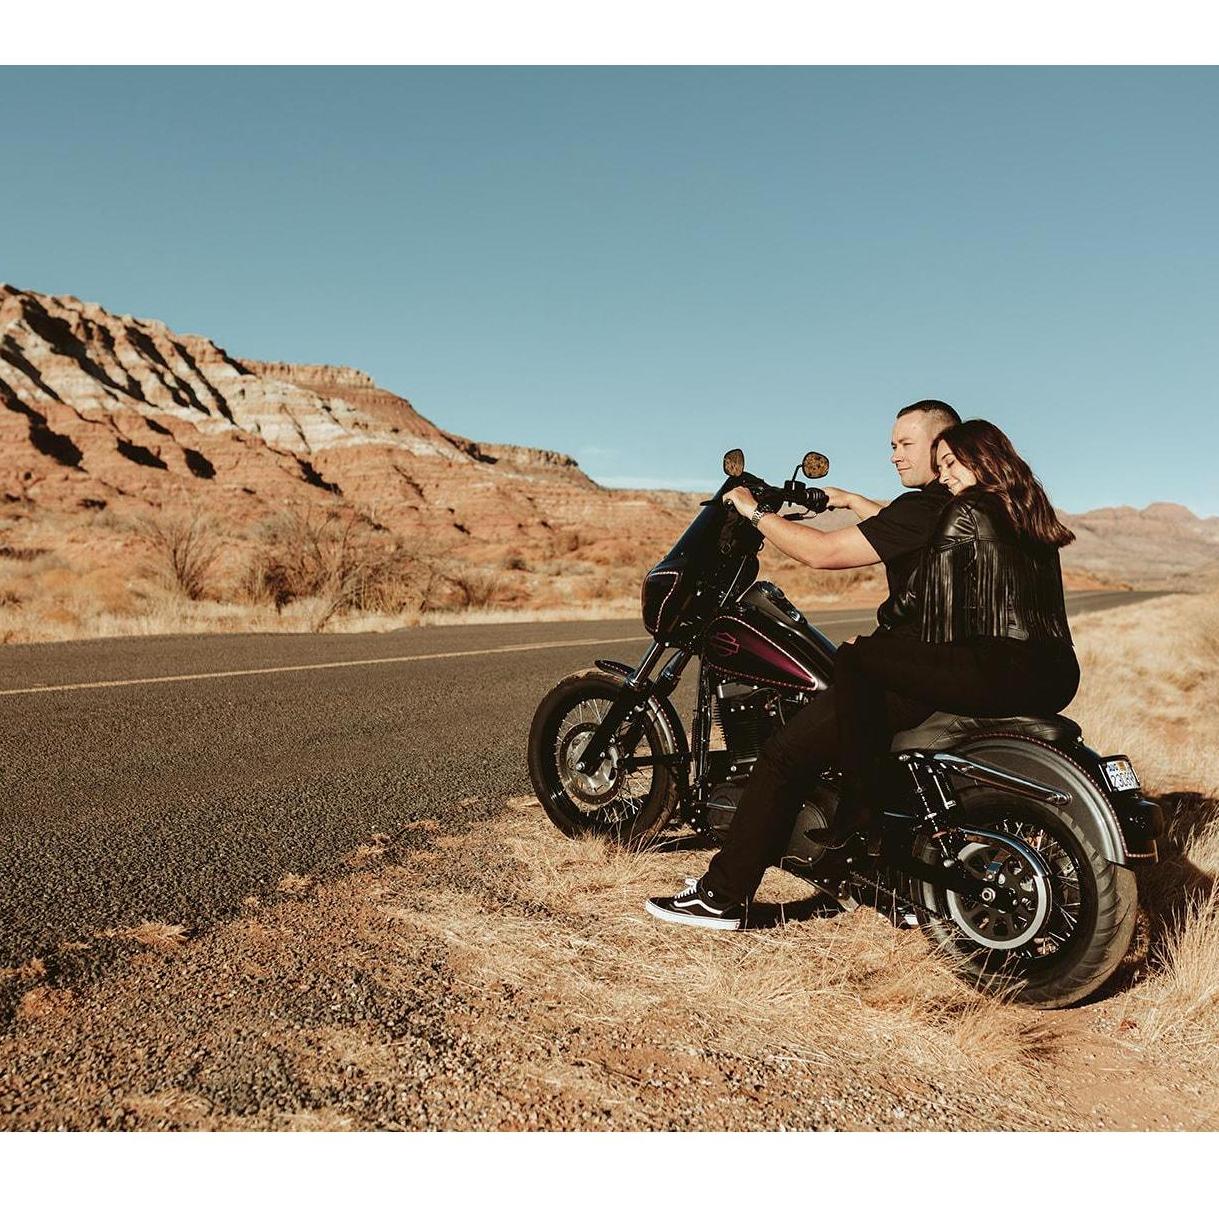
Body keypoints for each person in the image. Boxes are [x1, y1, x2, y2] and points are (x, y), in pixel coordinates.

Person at [645, 398, 963, 931]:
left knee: (782, 755)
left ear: (941, 447)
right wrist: (849, 499)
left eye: (906, 444)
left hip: (903, 673)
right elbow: (896, 525)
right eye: (892, 445)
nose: (894, 455)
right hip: (933, 667)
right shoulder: (947, 507)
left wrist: (754, 512)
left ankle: (721, 897)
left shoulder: (924, 509)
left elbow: (822, 553)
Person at [806, 418, 1078, 848]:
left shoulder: (965, 509)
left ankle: (861, 806)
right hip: (1057, 673)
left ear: (981, 460)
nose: (944, 476)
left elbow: (927, 595)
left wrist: (884, 624)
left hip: (998, 669)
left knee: (857, 657)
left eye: (951, 464)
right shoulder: (1029, 512)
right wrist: (856, 501)